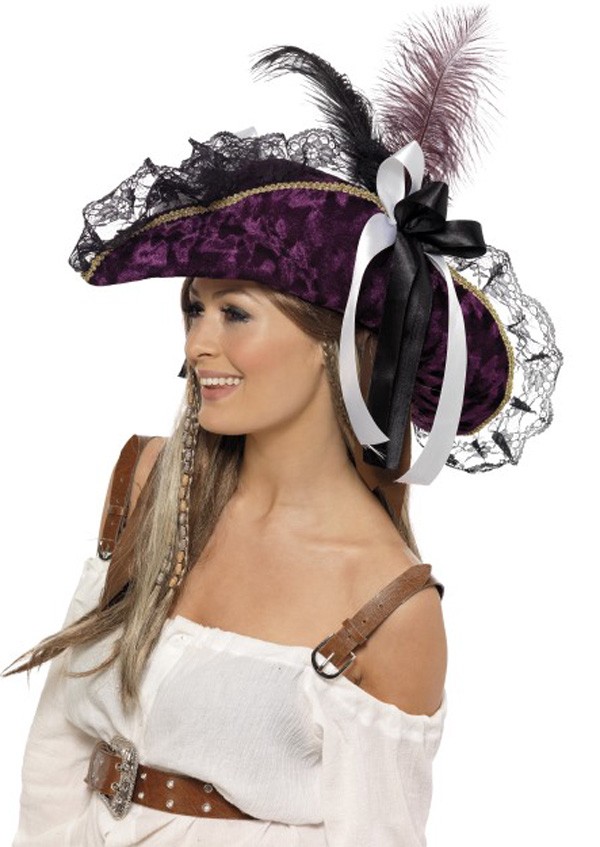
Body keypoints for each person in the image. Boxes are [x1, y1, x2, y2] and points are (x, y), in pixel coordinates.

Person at [3, 9, 562, 846]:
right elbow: (57, 753)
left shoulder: (388, 604)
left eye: (234, 312)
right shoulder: (150, 482)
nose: (198, 345)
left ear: (333, 342)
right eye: (194, 308)